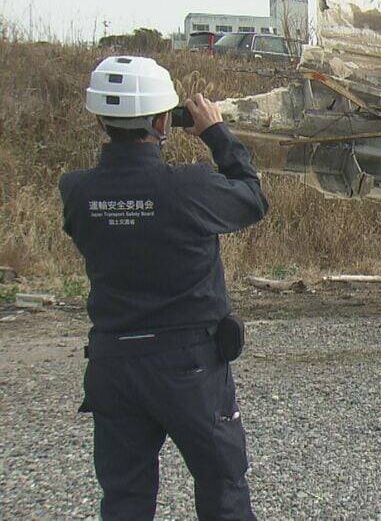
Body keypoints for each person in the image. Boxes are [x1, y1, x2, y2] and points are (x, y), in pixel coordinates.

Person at [59, 56, 268, 519]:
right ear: (162, 121)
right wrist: (216, 133)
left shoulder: (76, 191)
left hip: (114, 365)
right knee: (223, 489)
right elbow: (253, 199)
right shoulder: (188, 187)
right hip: (188, 366)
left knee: (125, 500)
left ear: (99, 120)